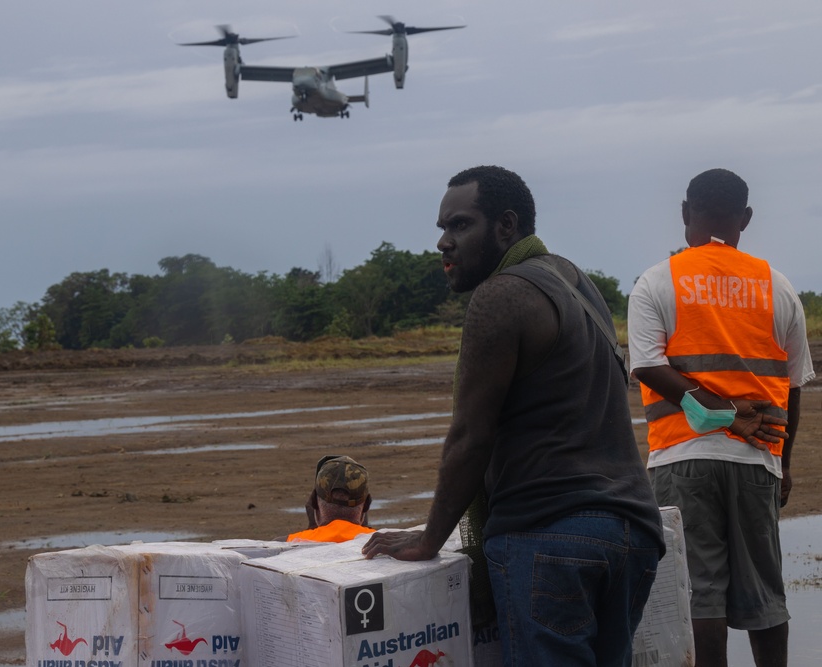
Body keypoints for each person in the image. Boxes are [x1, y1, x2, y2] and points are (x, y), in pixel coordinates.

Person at [362, 165, 665, 666]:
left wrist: (430, 538)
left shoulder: (500, 296)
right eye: (442, 227)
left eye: (459, 225)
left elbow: (470, 437)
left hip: (549, 536)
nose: (443, 242)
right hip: (632, 530)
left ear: (506, 225)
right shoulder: (574, 280)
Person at [628, 168, 815, 667]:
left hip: (680, 456)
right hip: (757, 461)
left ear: (686, 213)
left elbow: (646, 365)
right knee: (765, 596)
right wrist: (783, 462)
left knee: (699, 593)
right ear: (746, 219)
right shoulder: (780, 288)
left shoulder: (656, 282)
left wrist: (721, 416)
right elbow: (794, 386)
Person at [286, 455, 375, 543]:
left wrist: (312, 530)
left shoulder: (286, 544)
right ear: (366, 505)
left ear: (313, 503)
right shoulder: (383, 543)